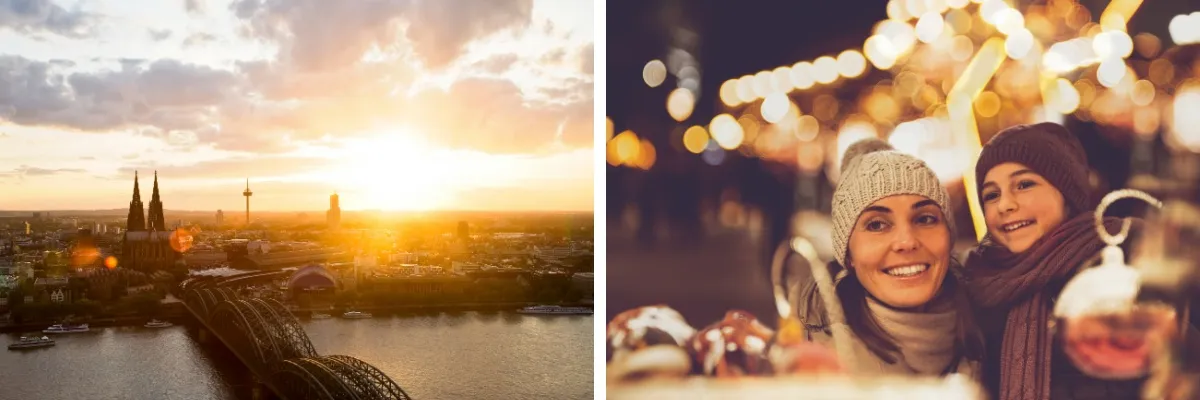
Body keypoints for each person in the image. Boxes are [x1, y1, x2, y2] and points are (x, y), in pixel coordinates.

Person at [963, 122, 1186, 399]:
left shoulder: (1126, 258)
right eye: (991, 194)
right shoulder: (978, 283)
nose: (1005, 205)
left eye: (1024, 184)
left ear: (1067, 192)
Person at [795, 138, 984, 379]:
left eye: (925, 219)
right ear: (848, 255)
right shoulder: (819, 371)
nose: (906, 242)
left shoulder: (997, 337)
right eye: (876, 225)